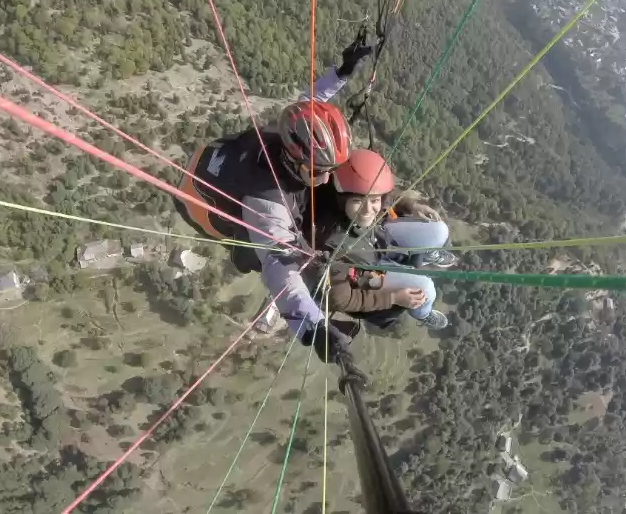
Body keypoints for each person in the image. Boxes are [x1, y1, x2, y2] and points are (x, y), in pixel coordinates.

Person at [174, 36, 373, 363]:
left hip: (219, 164)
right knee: (299, 256)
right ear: (293, 161)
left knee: (319, 202)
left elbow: (310, 101)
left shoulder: (287, 132)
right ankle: (321, 298)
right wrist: (314, 329)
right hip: (212, 210)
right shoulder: (266, 204)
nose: (325, 177)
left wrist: (342, 72)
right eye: (317, 171)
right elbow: (280, 269)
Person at [304, 148, 453, 333]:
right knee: (426, 290)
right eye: (358, 201)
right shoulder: (332, 244)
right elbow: (340, 299)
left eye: (374, 200)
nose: (368, 210)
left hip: (378, 236)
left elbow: (381, 195)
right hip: (367, 270)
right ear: (343, 200)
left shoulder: (355, 193)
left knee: (439, 230)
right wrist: (393, 298)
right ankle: (423, 313)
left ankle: (428, 253)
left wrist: (411, 206)